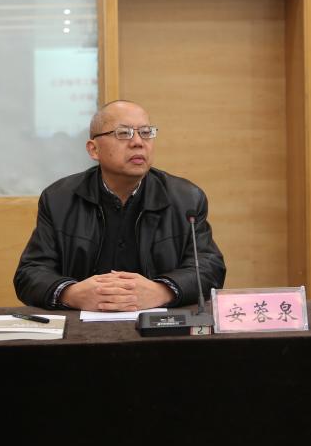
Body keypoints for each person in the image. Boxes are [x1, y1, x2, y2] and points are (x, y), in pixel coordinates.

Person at [14, 100, 225, 311]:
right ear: (94, 149)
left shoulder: (186, 198)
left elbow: (210, 268)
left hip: (158, 326)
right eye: (124, 133)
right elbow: (30, 273)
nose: (138, 142)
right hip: (82, 325)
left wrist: (162, 291)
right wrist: (71, 293)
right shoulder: (59, 199)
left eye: (146, 133)